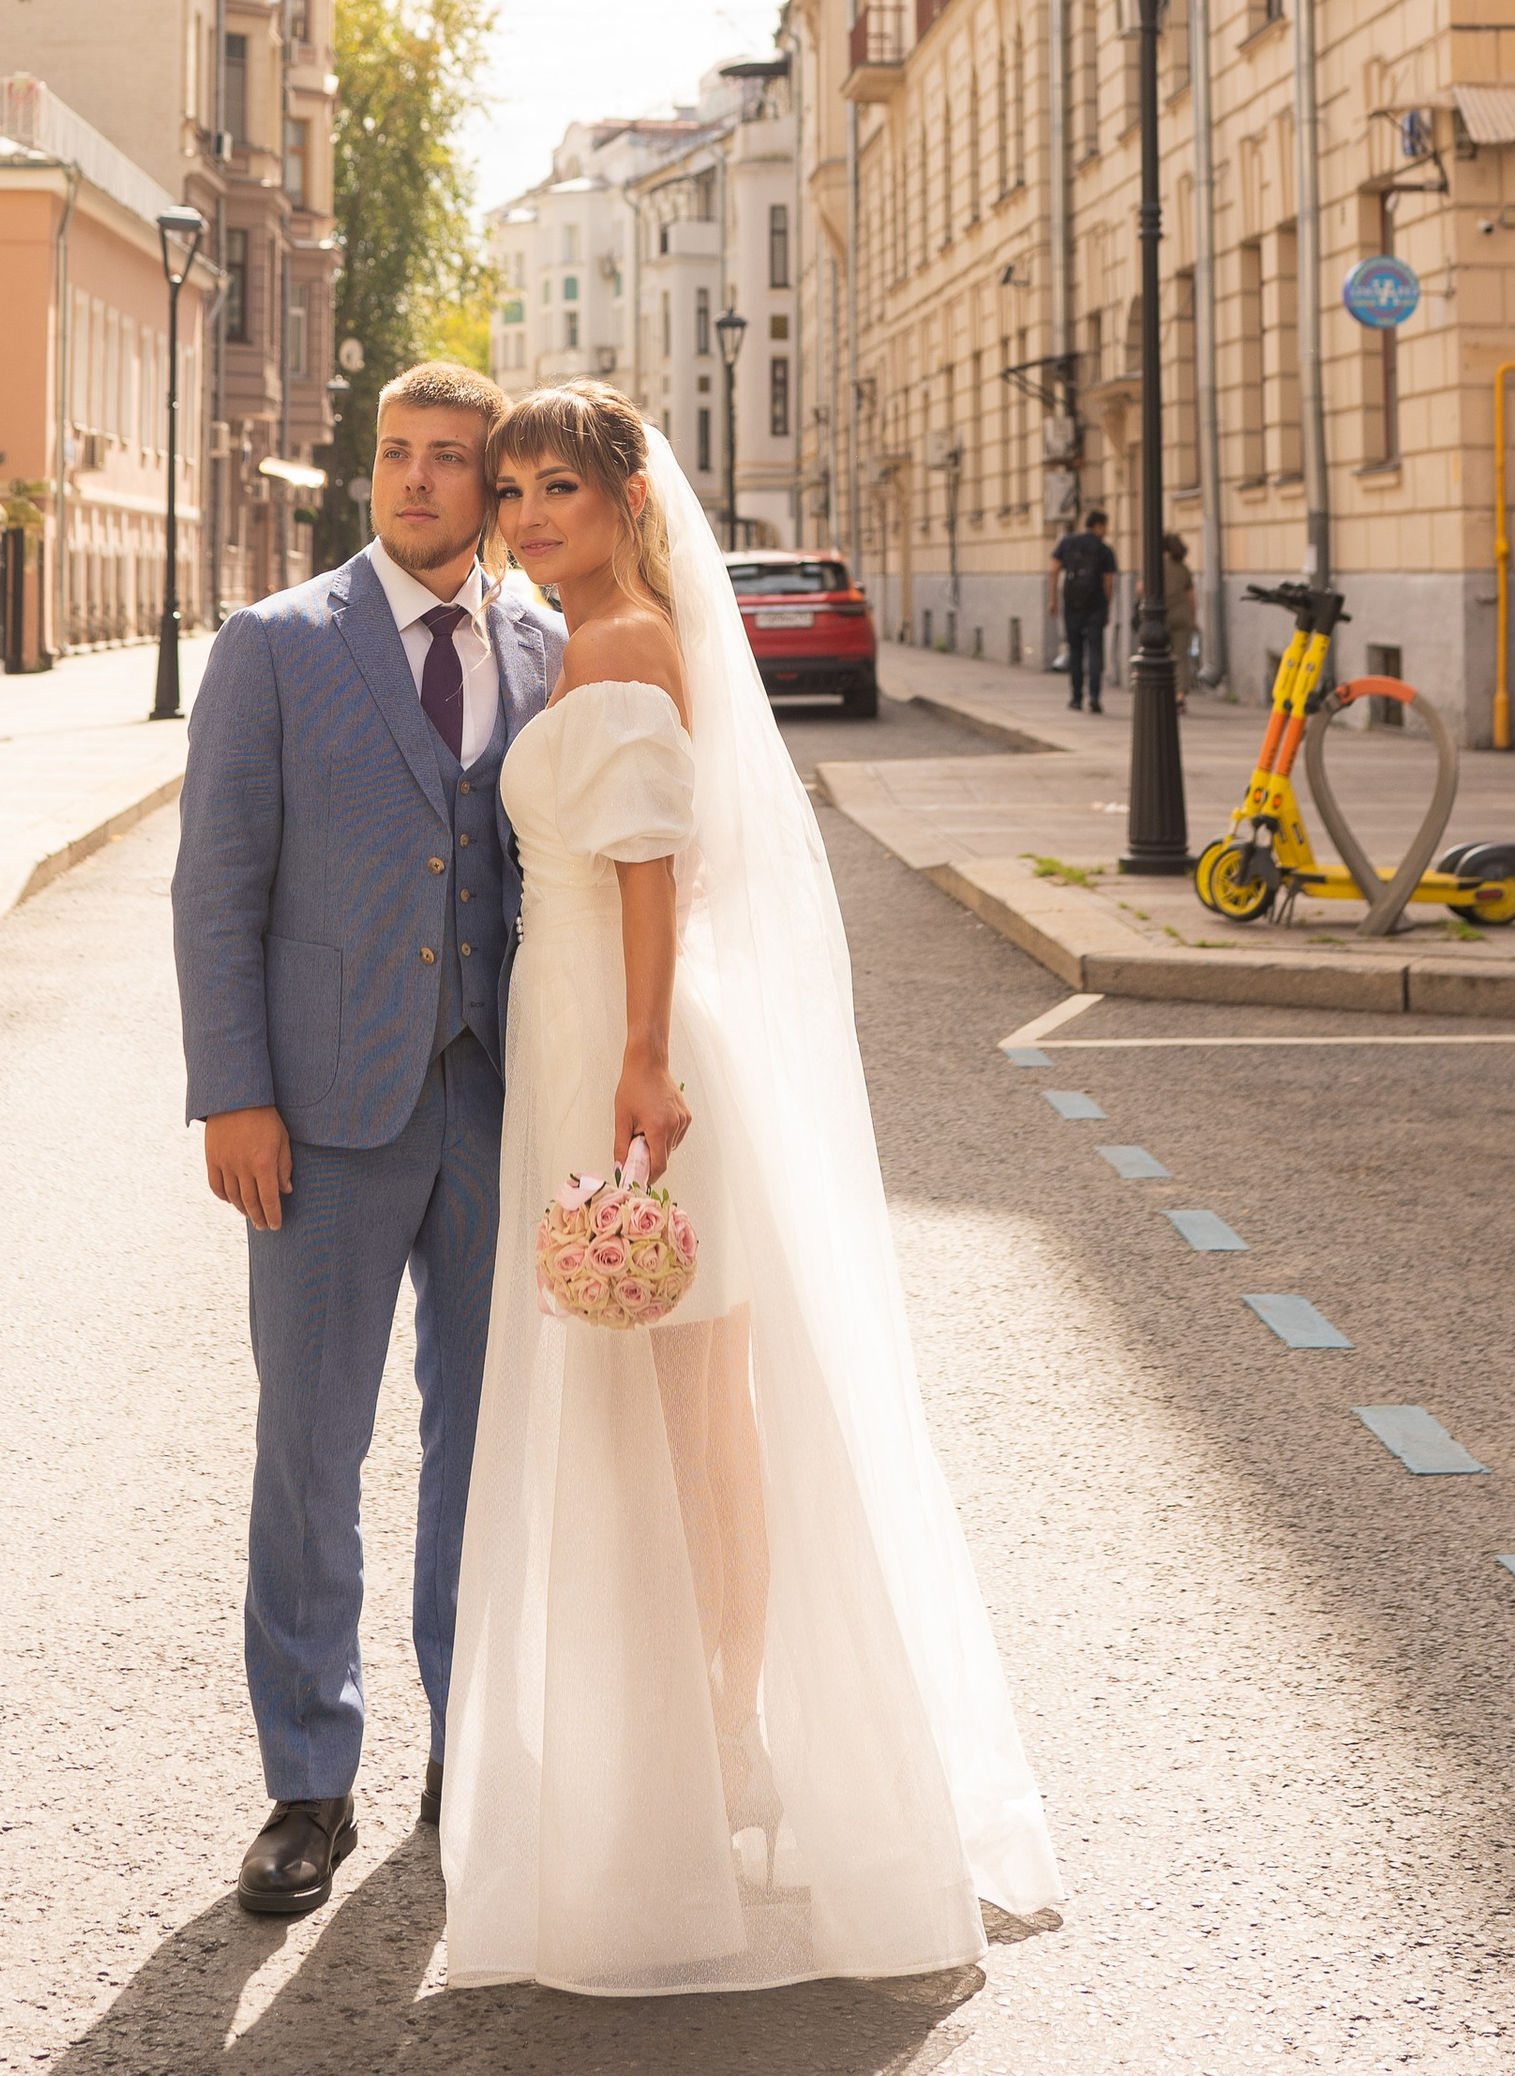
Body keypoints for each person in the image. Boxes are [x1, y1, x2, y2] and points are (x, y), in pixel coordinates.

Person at [443, 384, 1060, 1995]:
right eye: (509, 490)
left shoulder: (614, 644)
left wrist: (640, 1063)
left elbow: (649, 868)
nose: (524, 518)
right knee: (703, 1406)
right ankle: (724, 1735)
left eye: (555, 487)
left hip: (617, 1035)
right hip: (610, 1018)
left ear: (626, 493)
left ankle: (710, 1740)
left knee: (670, 1407)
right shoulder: (628, 631)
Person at [170, 362, 563, 1922]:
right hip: (319, 1117)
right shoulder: (276, 647)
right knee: (310, 1445)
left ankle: (466, 1760)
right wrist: (232, 1093)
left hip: (493, 1101)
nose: (414, 481)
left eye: (449, 460)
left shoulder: (546, 645)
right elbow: (216, 888)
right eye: (395, 455)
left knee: (487, 1448)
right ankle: (307, 1782)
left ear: (491, 482)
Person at [1049, 505, 1117, 714]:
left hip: (1072, 604)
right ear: (1098, 526)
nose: (1105, 531)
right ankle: (1095, 697)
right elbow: (1108, 581)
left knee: (1075, 651)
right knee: (1095, 651)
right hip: (1095, 604)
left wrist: (1053, 600)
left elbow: (1053, 571)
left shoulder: (1068, 543)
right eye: (1105, 526)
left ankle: (1076, 698)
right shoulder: (1104, 549)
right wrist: (1106, 607)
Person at [1160, 530, 1199, 709]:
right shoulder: (1184, 568)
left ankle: (1163, 693)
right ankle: (1180, 694)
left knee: (1161, 655)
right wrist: (1193, 618)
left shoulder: (1158, 566)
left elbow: (1140, 589)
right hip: (1183, 614)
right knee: (1181, 656)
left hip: (1162, 614)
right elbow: (1191, 597)